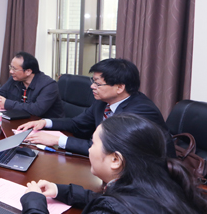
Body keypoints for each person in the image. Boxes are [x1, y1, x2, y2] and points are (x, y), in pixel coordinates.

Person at [21, 114, 207, 214]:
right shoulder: (163, 185)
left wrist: (34, 200)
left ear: (116, 160)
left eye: (93, 143)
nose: (89, 149)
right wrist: (61, 191)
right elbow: (123, 202)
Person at [17, 58, 173, 156]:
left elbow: (107, 147)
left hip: (149, 177)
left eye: (97, 83)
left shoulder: (139, 111)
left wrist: (57, 140)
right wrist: (44, 122)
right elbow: (77, 124)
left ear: (119, 87)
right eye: (93, 81)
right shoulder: (103, 102)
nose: (92, 86)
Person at [0, 51, 64, 118]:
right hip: (21, 120)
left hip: (46, 125)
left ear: (28, 71)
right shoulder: (14, 79)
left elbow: (37, 110)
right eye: (10, 67)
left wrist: (6, 103)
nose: (11, 71)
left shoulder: (49, 85)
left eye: (14, 69)